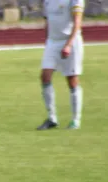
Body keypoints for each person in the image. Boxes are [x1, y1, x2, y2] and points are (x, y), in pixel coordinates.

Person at [37, 0, 84, 130]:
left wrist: (68, 45)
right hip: (52, 42)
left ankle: (75, 120)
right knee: (45, 77)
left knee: (72, 80)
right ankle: (52, 118)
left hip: (70, 41)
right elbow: (47, 22)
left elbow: (77, 23)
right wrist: (47, 41)